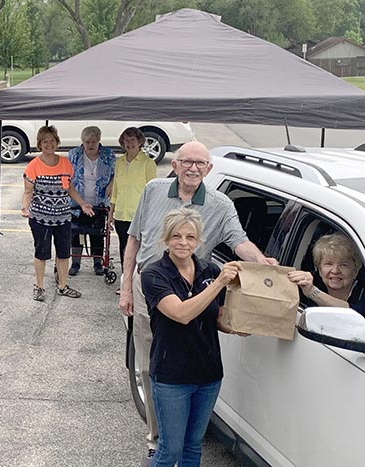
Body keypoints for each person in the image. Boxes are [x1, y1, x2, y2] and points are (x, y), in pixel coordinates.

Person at [118, 140, 275, 465]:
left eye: (200, 164)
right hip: (151, 281)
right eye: (186, 161)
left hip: (194, 287)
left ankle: (173, 438)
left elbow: (239, 241)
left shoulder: (220, 204)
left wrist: (264, 265)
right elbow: (134, 237)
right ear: (174, 165)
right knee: (151, 366)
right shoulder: (154, 189)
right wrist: (125, 285)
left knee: (186, 361)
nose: (192, 168)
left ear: (209, 169)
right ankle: (158, 440)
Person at [141, 208, 246, 467]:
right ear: (165, 239)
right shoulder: (154, 274)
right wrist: (220, 283)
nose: (183, 243)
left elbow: (218, 317)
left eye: (190, 237)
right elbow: (181, 313)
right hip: (172, 376)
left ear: (199, 241)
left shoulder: (209, 269)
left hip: (208, 373)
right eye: (176, 236)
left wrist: (240, 325)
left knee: (193, 446)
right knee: (170, 450)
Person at [21, 125, 94, 302]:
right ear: (39, 144)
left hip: (63, 218)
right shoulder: (33, 166)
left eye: (52, 141)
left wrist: (82, 203)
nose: (49, 145)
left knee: (63, 253)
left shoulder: (65, 164)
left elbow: (69, 188)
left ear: (57, 142)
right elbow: (28, 191)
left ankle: (62, 285)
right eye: (45, 142)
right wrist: (25, 207)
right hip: (40, 218)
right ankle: (39, 287)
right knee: (41, 253)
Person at [67, 126, 115, 276]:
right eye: (87, 142)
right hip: (78, 202)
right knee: (76, 233)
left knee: (98, 233)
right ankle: (75, 262)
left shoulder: (108, 155)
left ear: (99, 141)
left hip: (99, 201)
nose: (91, 145)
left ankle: (97, 262)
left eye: (94, 141)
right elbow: (67, 177)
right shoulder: (73, 155)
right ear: (82, 142)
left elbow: (116, 173)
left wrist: (112, 183)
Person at [109, 127, 157, 269]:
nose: (129, 143)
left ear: (140, 141)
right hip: (121, 215)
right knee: (124, 248)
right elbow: (115, 190)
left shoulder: (148, 163)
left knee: (137, 250)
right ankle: (125, 281)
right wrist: (111, 213)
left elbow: (152, 192)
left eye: (132, 140)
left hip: (138, 216)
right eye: (126, 140)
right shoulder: (119, 162)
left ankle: (136, 282)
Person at [288, 232, 365, 316]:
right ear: (319, 269)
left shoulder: (362, 293)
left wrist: (313, 293)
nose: (335, 271)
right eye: (328, 264)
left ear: (355, 270)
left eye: (343, 265)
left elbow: (357, 315)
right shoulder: (307, 284)